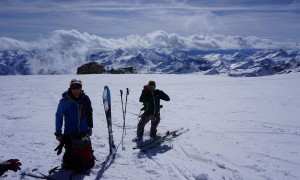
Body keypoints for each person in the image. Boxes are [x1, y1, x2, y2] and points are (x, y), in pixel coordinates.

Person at [54, 78, 94, 172]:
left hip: (83, 132)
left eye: (78, 87)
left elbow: (89, 113)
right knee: (70, 157)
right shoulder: (64, 101)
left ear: (81, 88)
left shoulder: (85, 99)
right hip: (69, 134)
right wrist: (58, 133)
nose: (76, 90)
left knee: (83, 151)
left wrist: (90, 127)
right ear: (70, 88)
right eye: (73, 87)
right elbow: (59, 116)